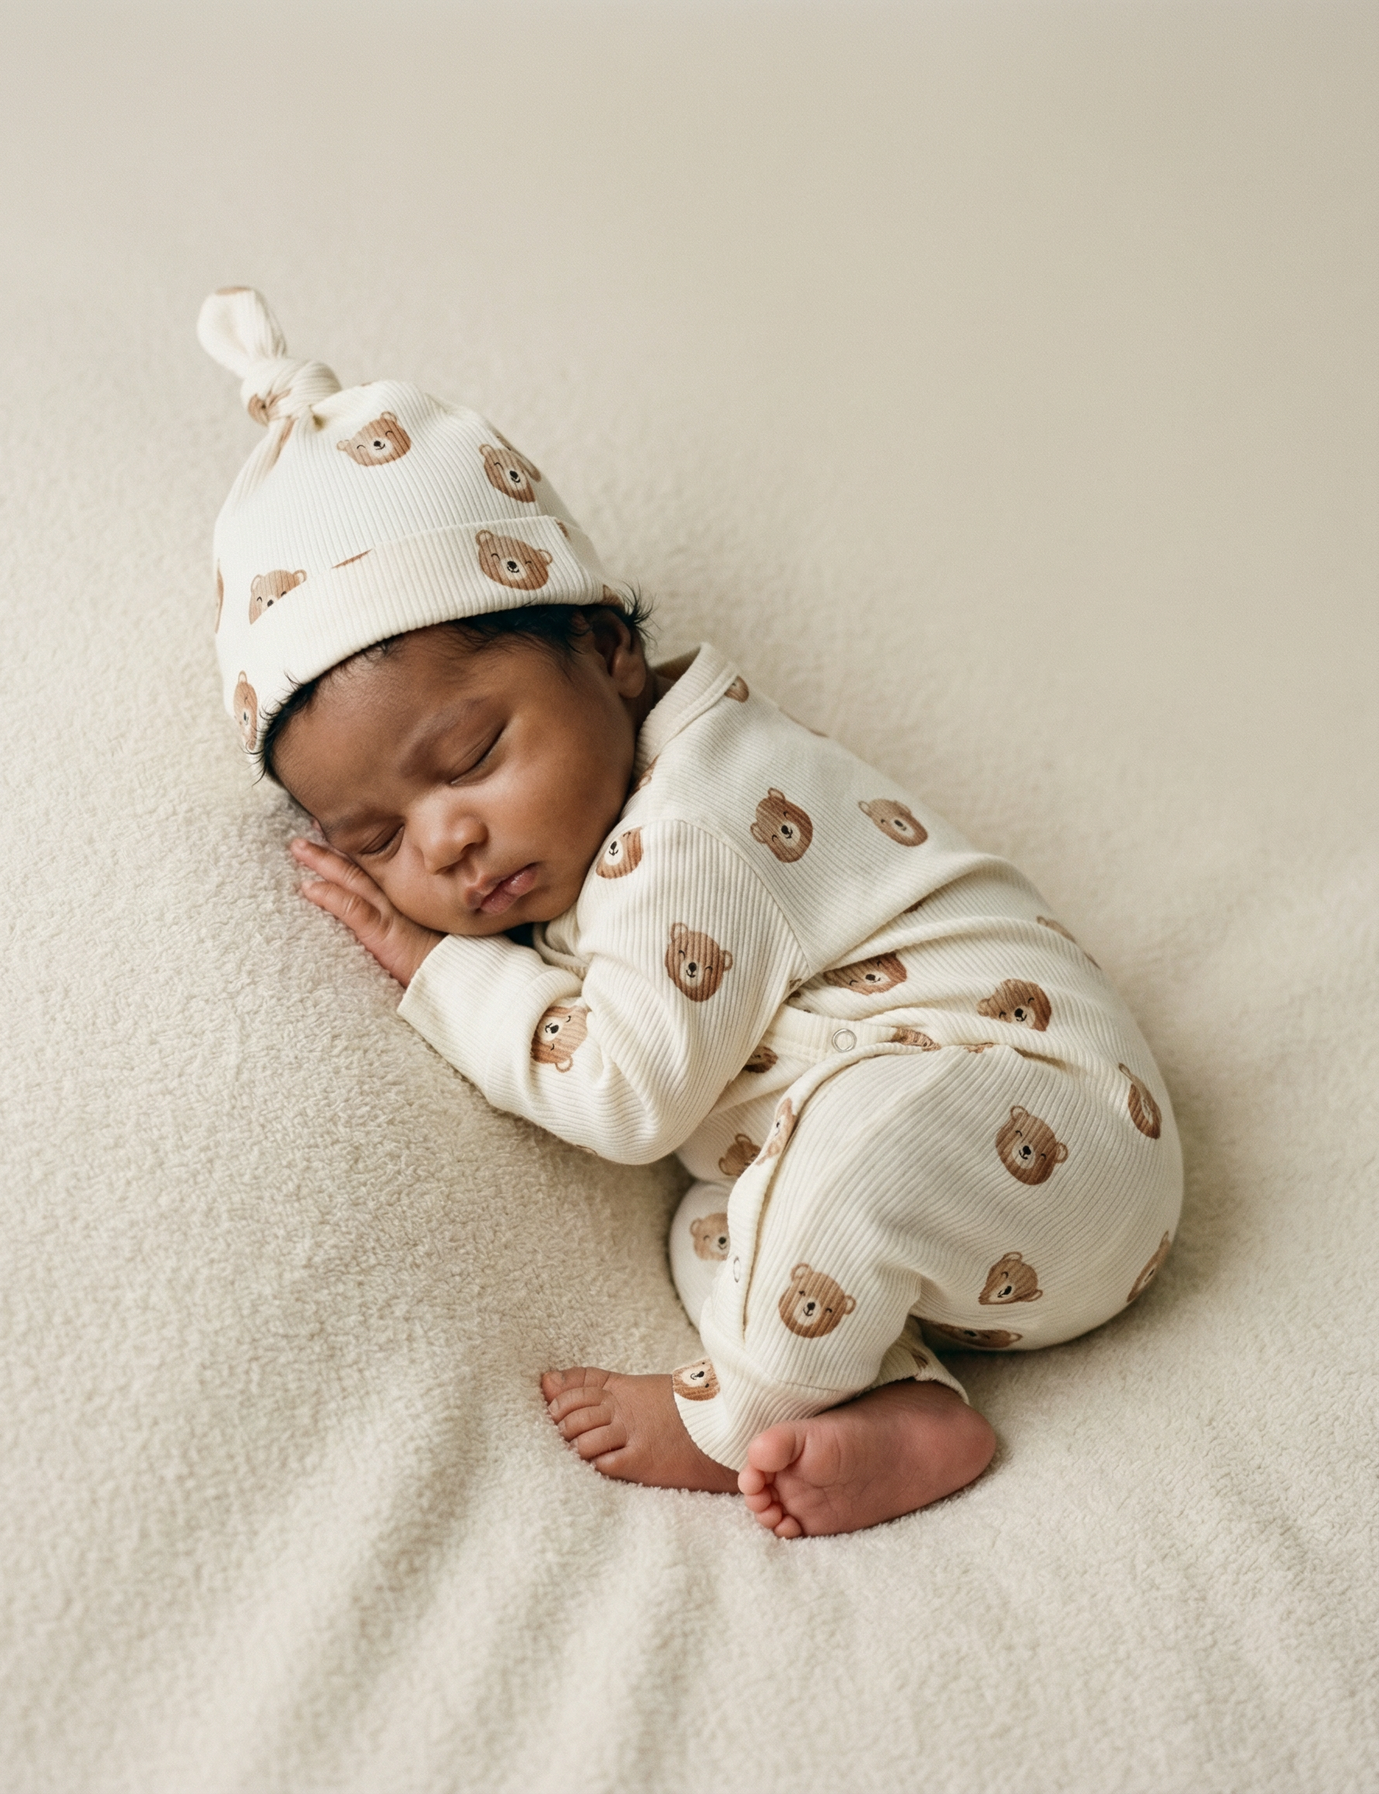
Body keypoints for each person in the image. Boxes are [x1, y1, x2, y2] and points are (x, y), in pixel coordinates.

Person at [198, 288, 1182, 1538]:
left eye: (471, 757)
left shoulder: (695, 818)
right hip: (978, 1231)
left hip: (1053, 1122)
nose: (443, 841)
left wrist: (440, 968)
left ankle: (730, 1420)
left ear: (610, 654)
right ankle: (894, 1404)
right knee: (716, 1225)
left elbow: (628, 1095)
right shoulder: (593, 826)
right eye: (375, 839)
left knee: (848, 1137)